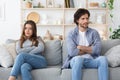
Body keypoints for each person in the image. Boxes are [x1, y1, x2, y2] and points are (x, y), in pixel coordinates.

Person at [62, 8, 108, 80]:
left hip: (90, 60)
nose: (86, 21)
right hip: (75, 61)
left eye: (87, 18)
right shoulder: (71, 34)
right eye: (83, 19)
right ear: (77, 20)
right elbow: (72, 52)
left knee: (103, 59)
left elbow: (97, 50)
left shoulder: (94, 32)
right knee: (79, 59)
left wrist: (80, 47)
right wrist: (90, 48)